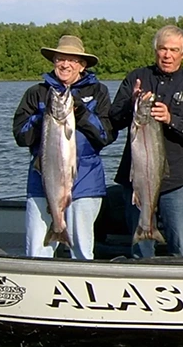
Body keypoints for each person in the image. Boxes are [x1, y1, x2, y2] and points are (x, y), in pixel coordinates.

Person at [13, 35, 115, 260]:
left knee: (81, 248)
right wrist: (43, 118)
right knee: (37, 250)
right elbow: (20, 136)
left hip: (85, 182)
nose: (65, 64)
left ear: (82, 64)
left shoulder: (99, 92)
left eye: (71, 60)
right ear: (53, 61)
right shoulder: (36, 93)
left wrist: (82, 113)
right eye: (60, 59)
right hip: (43, 181)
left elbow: (106, 136)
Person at [108, 25, 183, 259]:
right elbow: (114, 118)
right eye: (163, 49)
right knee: (140, 248)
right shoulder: (136, 77)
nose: (167, 55)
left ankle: (182, 287)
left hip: (178, 180)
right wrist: (132, 104)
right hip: (137, 177)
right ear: (155, 51)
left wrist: (171, 119)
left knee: (181, 247)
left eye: (174, 50)